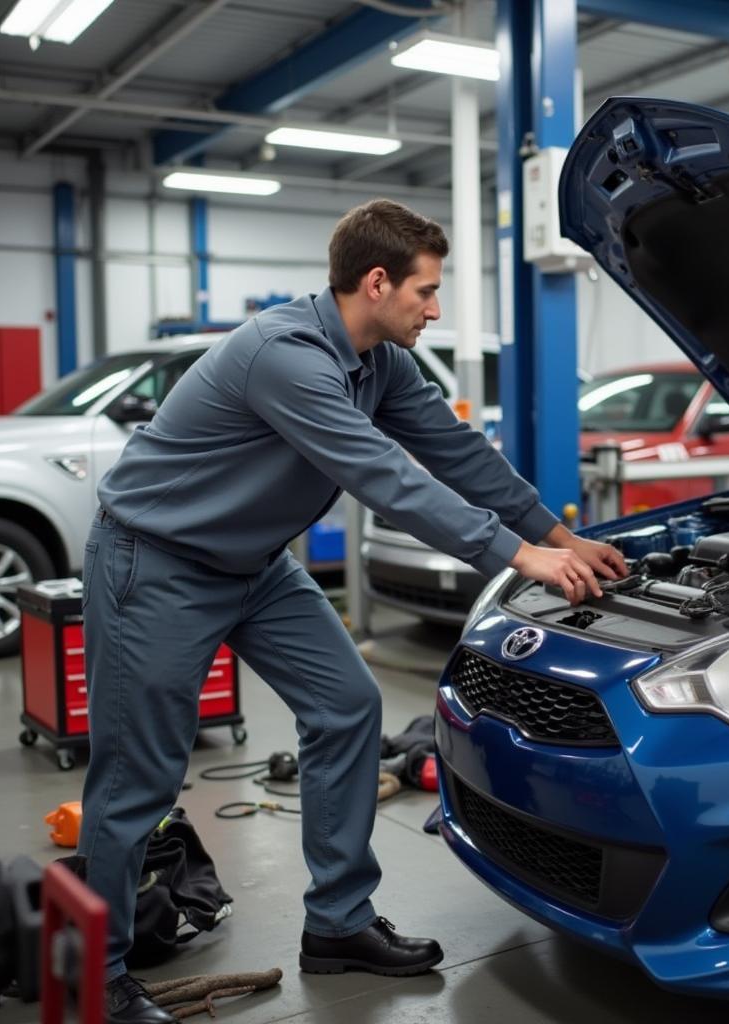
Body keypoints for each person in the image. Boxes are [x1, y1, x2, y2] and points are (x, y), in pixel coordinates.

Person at [79, 198, 627, 1024]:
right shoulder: (285, 356)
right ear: (377, 283)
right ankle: (97, 974)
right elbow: (385, 478)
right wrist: (519, 557)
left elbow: (456, 454)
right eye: (427, 292)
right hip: (155, 564)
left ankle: (337, 923)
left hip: (253, 565)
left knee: (347, 707)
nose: (435, 309)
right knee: (138, 775)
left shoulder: (381, 363)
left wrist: (557, 533)